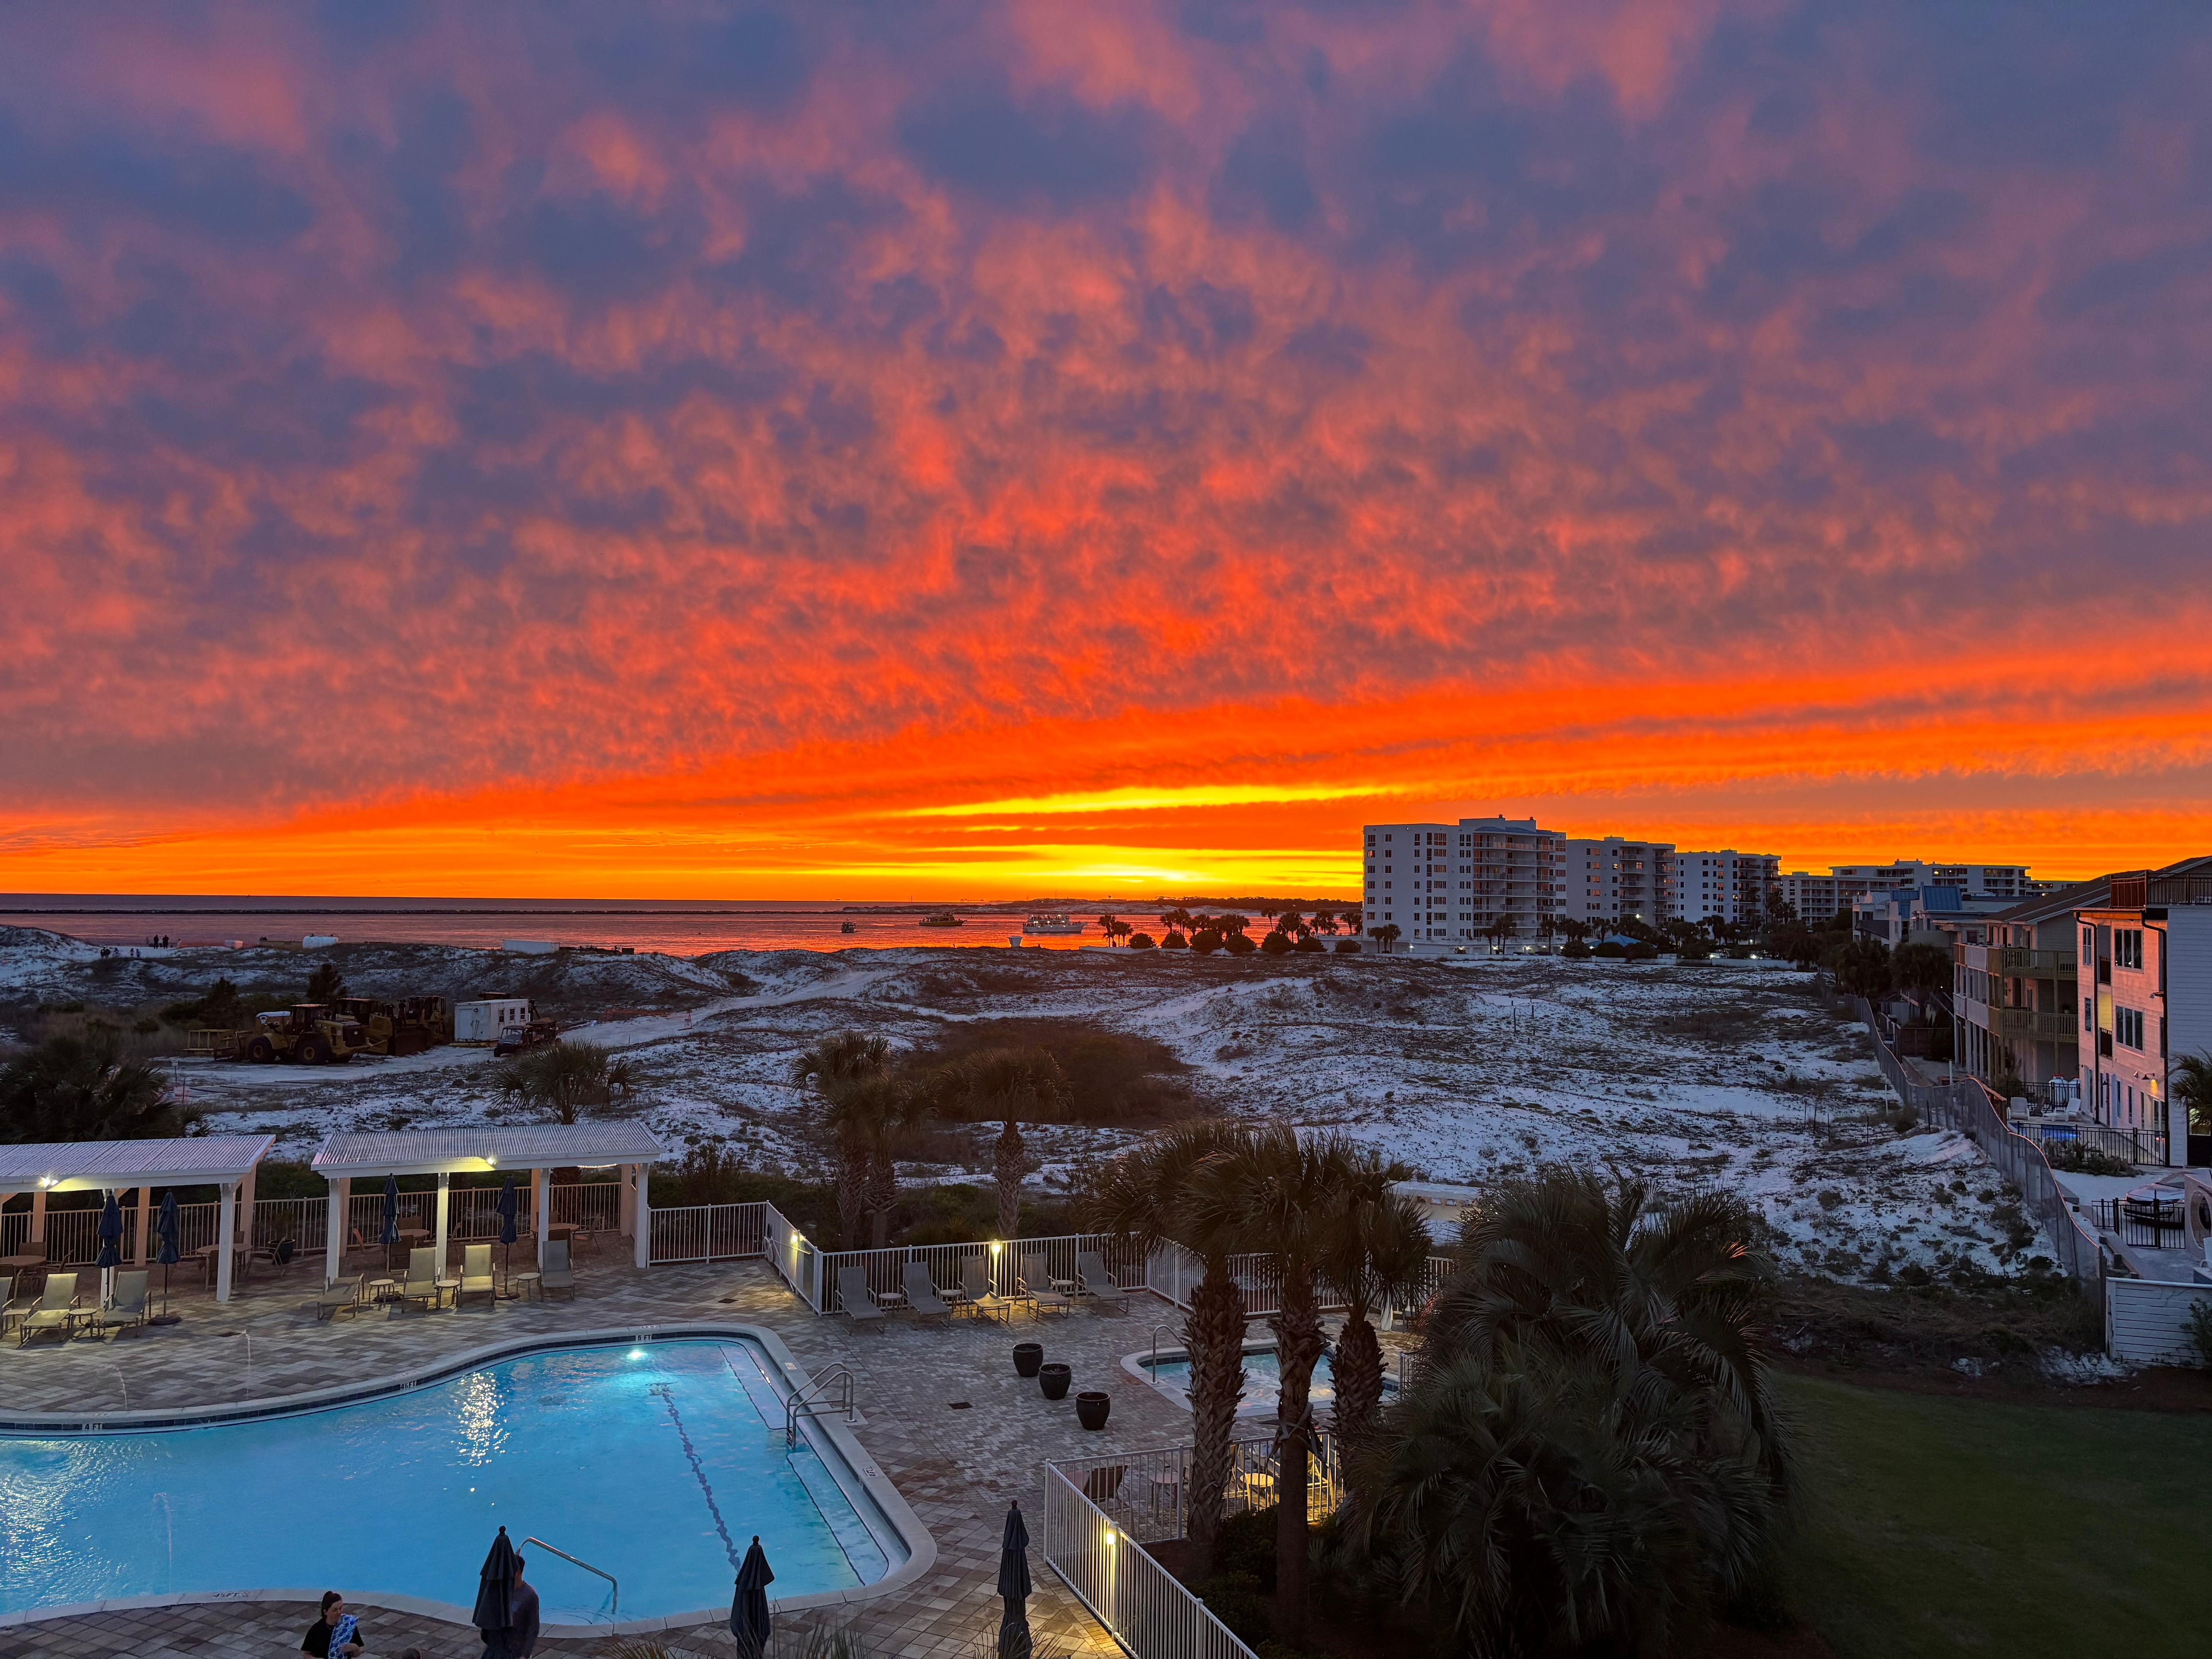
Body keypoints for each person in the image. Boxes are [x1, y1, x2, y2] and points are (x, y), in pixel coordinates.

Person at [300, 1591, 365, 1658]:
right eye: (335, 1610)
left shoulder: (349, 1625)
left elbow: (358, 1652)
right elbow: (306, 1653)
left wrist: (355, 1648)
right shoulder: (317, 1629)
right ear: (326, 1612)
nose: (339, 1612)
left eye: (341, 1608)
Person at [507, 1554, 541, 1657]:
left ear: (517, 1573)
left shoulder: (530, 1596)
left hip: (518, 1650)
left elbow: (533, 1629)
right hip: (502, 1648)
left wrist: (525, 1655)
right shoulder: (503, 1591)